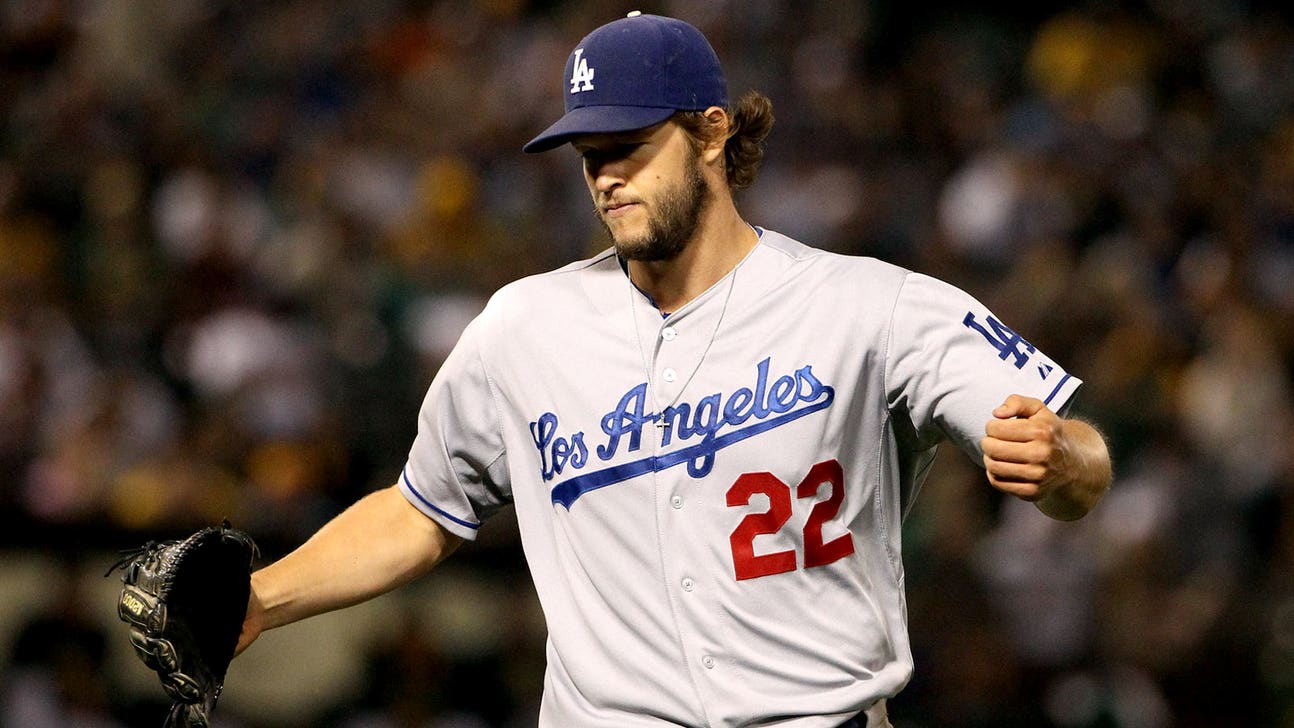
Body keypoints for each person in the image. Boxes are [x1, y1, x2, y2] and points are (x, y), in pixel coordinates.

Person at [235, 12, 1112, 727]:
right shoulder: (522, 329)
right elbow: (419, 511)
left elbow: (1079, 456)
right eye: (590, 155)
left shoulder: (867, 306)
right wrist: (260, 599)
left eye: (630, 146)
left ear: (711, 133)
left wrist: (1063, 461)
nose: (607, 177)